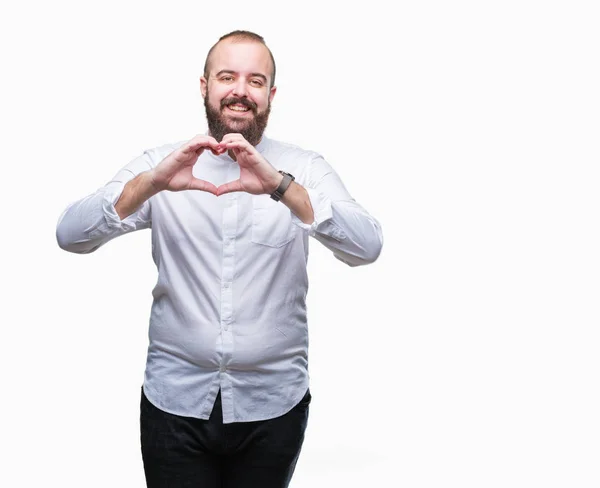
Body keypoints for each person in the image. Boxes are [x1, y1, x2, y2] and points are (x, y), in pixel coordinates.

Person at [56, 30, 383, 488]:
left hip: (273, 405)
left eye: (254, 80)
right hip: (175, 404)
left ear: (270, 95)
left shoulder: (304, 168)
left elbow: (366, 246)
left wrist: (281, 188)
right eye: (227, 77)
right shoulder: (161, 165)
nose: (239, 91)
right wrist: (149, 185)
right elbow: (70, 235)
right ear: (205, 85)